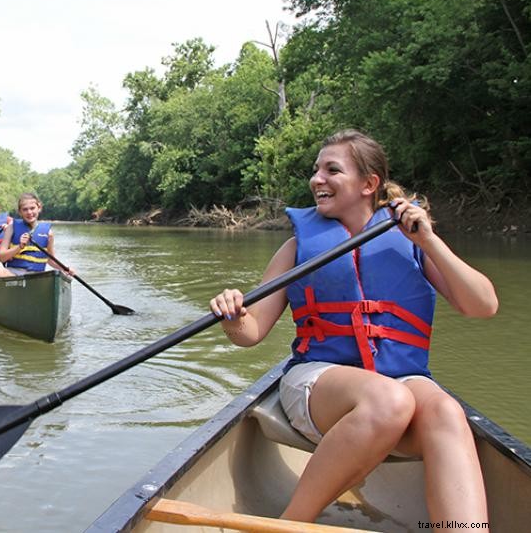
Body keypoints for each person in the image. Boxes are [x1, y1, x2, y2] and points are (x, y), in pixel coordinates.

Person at [210, 130, 498, 528]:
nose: (316, 180)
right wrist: (233, 315)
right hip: (318, 383)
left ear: (369, 184)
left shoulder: (412, 241)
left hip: (401, 382)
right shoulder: (296, 248)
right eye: (315, 170)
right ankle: (292, 524)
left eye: (332, 170)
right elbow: (250, 332)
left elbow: (483, 306)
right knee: (389, 399)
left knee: (447, 412)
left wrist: (430, 241)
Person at [0, 192, 73, 277]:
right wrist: (19, 246)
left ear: (39, 208)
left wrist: (64, 268)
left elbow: (50, 259)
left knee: (61, 274)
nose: (29, 212)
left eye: (32, 208)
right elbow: (1, 257)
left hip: (37, 276)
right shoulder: (11, 228)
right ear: (20, 212)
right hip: (13, 274)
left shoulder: (49, 233)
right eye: (25, 209)